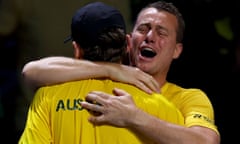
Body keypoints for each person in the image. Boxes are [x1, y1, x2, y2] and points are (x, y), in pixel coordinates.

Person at [22, 1, 220, 144]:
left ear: (177, 50)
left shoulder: (188, 99)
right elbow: (32, 71)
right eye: (143, 28)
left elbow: (205, 142)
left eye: (161, 33)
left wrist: (134, 117)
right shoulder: (162, 107)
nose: (150, 37)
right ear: (128, 41)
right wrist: (111, 70)